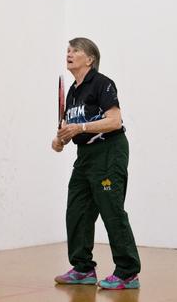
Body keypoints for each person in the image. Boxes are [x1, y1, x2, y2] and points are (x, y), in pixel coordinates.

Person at [51, 37, 140, 290]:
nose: (69, 53)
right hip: (85, 156)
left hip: (109, 151)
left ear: (89, 59)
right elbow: (69, 133)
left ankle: (127, 272)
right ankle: (82, 269)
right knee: (77, 211)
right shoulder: (73, 92)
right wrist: (60, 140)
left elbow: (114, 120)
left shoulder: (102, 84)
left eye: (75, 50)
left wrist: (80, 127)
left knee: (111, 209)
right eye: (67, 50)